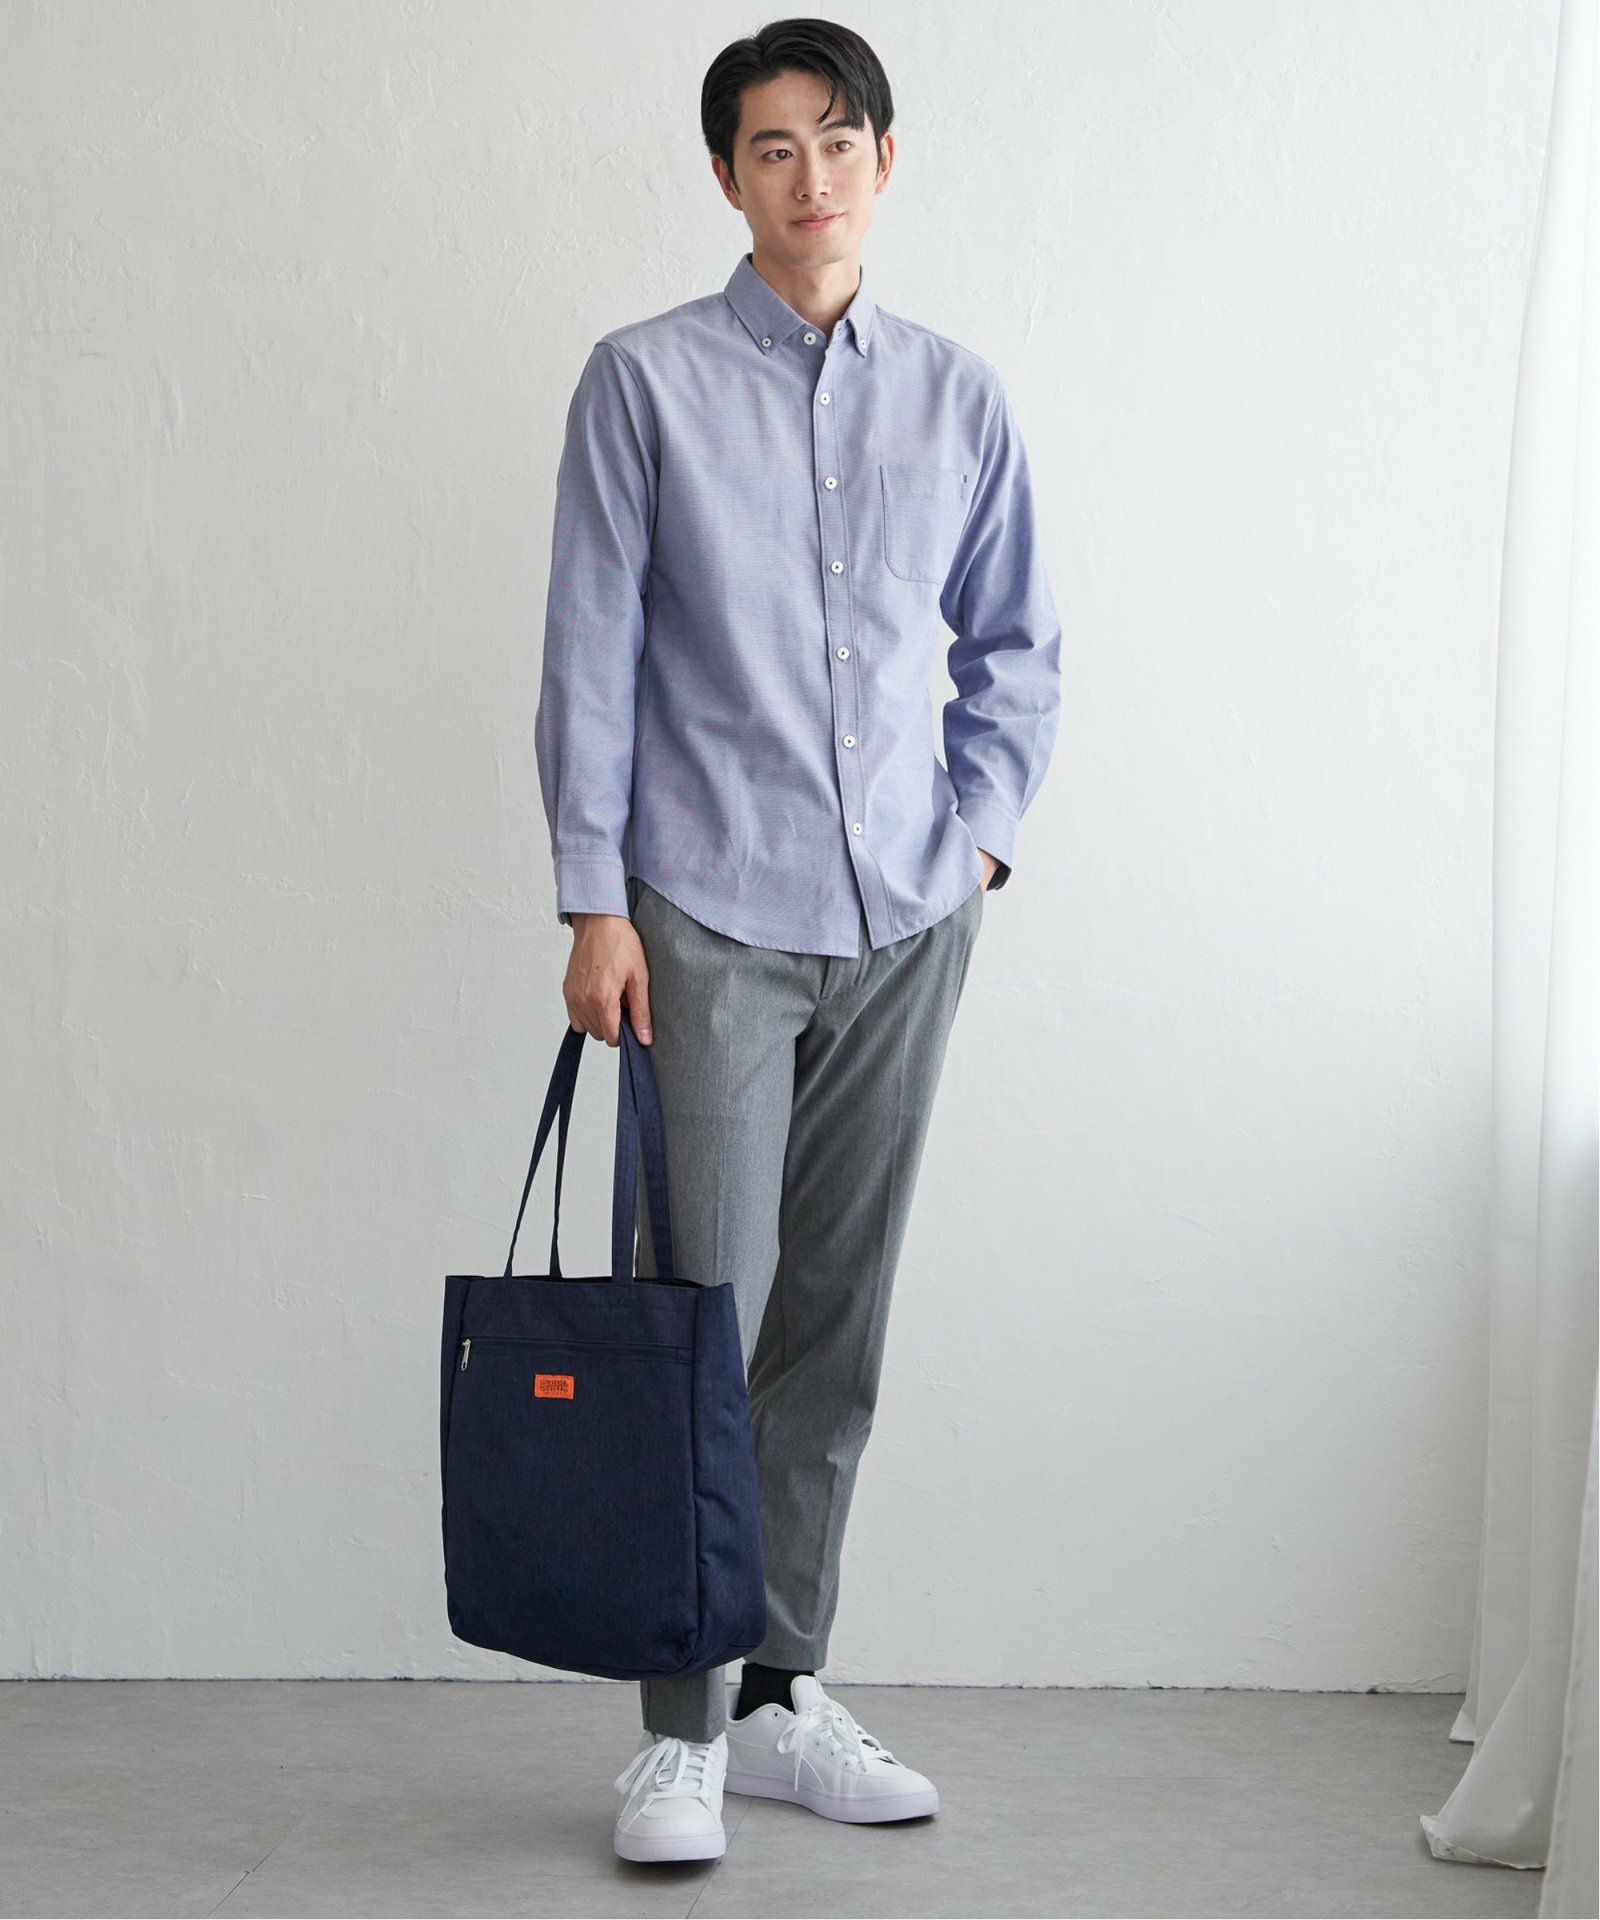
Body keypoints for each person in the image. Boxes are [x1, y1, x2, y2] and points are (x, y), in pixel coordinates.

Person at [533, 17, 1063, 1865]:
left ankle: (778, 1696)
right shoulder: (643, 384)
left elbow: (1017, 647)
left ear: (885, 161)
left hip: (904, 918)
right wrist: (594, 899)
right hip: (704, 917)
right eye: (773, 146)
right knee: (703, 1319)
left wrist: (974, 845)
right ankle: (677, 1730)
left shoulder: (960, 398)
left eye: (840, 141)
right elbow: (589, 652)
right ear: (727, 177)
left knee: (834, 1323)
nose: (812, 175)